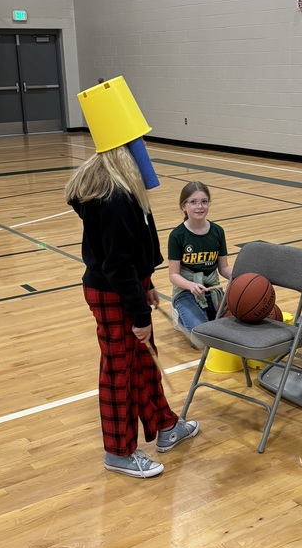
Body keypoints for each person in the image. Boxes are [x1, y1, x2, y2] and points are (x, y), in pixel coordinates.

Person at [66, 146, 199, 478]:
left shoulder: (122, 191)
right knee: (119, 373)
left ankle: (165, 425)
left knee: (143, 362)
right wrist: (139, 315)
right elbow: (116, 264)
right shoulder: (113, 200)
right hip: (114, 293)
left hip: (129, 287)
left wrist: (147, 282)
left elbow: (131, 249)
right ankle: (119, 452)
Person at [167, 181, 232, 344]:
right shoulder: (177, 235)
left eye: (204, 201)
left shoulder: (217, 231)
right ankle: (179, 314)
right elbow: (173, 275)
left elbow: (224, 268)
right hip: (187, 291)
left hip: (212, 289)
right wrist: (190, 286)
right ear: (184, 206)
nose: (200, 206)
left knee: (231, 331)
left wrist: (243, 275)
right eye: (193, 202)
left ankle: (204, 313)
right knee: (201, 340)